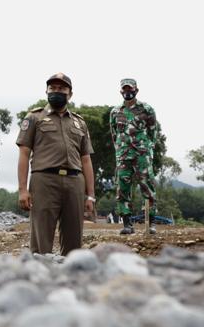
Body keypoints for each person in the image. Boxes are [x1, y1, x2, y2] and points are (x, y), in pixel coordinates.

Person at [16, 73, 96, 255]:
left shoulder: (79, 123)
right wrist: (22, 189)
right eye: (52, 88)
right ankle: (40, 278)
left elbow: (86, 159)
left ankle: (71, 278)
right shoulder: (34, 118)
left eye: (61, 88)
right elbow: (24, 153)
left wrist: (90, 195)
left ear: (70, 94)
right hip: (44, 181)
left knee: (74, 241)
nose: (56, 91)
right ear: (46, 91)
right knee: (41, 240)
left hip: (75, 182)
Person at [109, 78, 161, 235]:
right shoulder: (115, 112)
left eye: (130, 89)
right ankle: (127, 224)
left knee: (147, 187)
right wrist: (119, 149)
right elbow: (114, 134)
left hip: (142, 155)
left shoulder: (147, 109)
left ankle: (150, 223)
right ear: (121, 92)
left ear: (136, 90)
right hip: (123, 155)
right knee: (122, 189)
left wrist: (148, 148)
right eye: (124, 89)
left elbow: (153, 132)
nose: (127, 92)